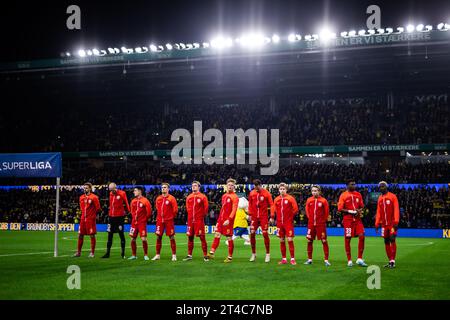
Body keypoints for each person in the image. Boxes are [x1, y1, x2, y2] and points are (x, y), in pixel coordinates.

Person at [208, 178, 239, 263]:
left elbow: (234, 210)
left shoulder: (235, 197)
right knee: (217, 234)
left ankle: (230, 257)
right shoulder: (224, 196)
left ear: (234, 187)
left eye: (232, 185)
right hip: (221, 220)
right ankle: (212, 253)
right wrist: (219, 219)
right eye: (229, 185)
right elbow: (223, 208)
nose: (230, 186)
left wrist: (229, 219)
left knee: (229, 238)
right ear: (226, 186)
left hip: (228, 220)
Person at [338, 179, 367, 267]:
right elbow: (340, 208)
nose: (354, 186)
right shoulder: (343, 195)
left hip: (357, 220)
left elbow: (362, 206)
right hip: (348, 220)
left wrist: (360, 210)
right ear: (347, 185)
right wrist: (351, 211)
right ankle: (349, 260)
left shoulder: (358, 194)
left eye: (354, 184)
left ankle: (359, 259)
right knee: (348, 238)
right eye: (352, 184)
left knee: (362, 236)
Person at [271, 183, 299, 265]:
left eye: (283, 189)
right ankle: (284, 259)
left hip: (288, 223)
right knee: (282, 240)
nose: (282, 190)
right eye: (281, 189)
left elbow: (295, 209)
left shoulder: (290, 198)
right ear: (279, 190)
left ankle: (292, 259)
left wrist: (290, 217)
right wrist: (272, 216)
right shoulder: (276, 199)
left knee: (290, 239)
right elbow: (273, 208)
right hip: (279, 223)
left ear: (286, 190)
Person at [304, 185, 331, 266]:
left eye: (316, 190)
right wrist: (311, 219)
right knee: (309, 241)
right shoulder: (309, 200)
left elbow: (326, 213)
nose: (314, 192)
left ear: (319, 191)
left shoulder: (323, 201)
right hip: (311, 224)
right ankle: (309, 259)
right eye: (313, 191)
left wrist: (322, 221)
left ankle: (326, 260)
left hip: (320, 224)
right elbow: (307, 211)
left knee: (324, 241)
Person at [375, 181, 400, 268]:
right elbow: (378, 211)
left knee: (392, 239)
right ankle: (390, 261)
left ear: (386, 187)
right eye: (380, 187)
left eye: (383, 186)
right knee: (386, 241)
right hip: (384, 225)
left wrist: (396, 221)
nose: (381, 188)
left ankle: (393, 260)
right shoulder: (379, 198)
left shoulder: (393, 196)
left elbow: (396, 209)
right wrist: (377, 223)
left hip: (392, 223)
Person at [102, 182, 130, 259]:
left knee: (121, 234)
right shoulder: (110, 194)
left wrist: (128, 211)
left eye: (112, 189)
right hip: (111, 217)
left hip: (120, 217)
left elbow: (126, 203)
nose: (111, 191)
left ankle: (123, 253)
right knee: (109, 235)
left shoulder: (122, 193)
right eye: (110, 190)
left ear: (115, 187)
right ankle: (107, 253)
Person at [248, 179, 273, 263]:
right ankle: (253, 254)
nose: (256, 188)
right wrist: (250, 215)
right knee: (252, 233)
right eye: (254, 186)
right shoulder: (252, 193)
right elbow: (250, 204)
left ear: (260, 185)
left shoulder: (266, 193)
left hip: (263, 217)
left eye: (257, 186)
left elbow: (272, 205)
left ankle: (267, 254)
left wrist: (272, 216)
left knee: (265, 234)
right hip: (254, 217)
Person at [183, 181, 209, 262]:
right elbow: (187, 208)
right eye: (192, 186)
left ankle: (205, 255)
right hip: (190, 220)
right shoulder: (189, 197)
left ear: (199, 187)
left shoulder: (203, 197)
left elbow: (206, 208)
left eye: (195, 186)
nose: (193, 187)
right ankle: (189, 255)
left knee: (202, 237)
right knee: (190, 237)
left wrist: (200, 216)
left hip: (199, 221)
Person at [74, 182, 101, 258]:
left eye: (86, 188)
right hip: (83, 219)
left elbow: (98, 208)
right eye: (84, 188)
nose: (85, 189)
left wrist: (93, 215)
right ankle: (78, 252)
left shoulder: (94, 197)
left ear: (90, 188)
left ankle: (92, 253)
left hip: (90, 219)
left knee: (92, 235)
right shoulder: (81, 197)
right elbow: (81, 208)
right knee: (80, 235)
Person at [152, 183, 178, 261]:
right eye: (162, 187)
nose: (163, 188)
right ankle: (157, 255)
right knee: (158, 237)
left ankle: (174, 255)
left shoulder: (171, 198)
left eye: (165, 187)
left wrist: (170, 217)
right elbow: (157, 208)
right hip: (160, 221)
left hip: (169, 221)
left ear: (168, 189)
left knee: (171, 237)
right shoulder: (158, 198)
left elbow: (175, 210)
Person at [128, 186, 152, 260]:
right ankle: (134, 255)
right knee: (132, 239)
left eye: (135, 190)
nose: (133, 192)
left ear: (140, 191)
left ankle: (145, 255)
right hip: (134, 223)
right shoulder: (133, 201)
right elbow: (131, 211)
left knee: (143, 239)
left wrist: (144, 219)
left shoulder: (145, 201)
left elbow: (149, 212)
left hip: (142, 223)